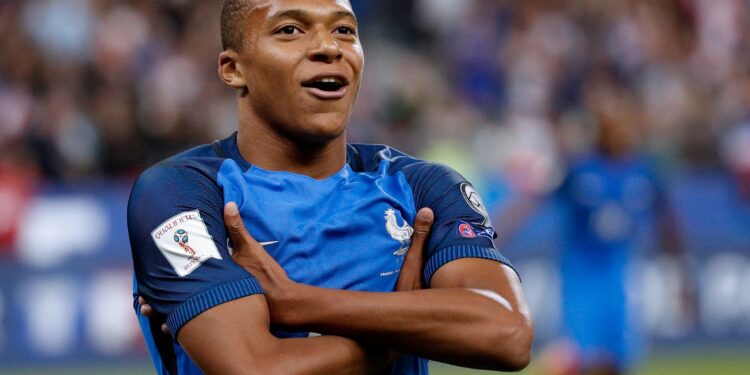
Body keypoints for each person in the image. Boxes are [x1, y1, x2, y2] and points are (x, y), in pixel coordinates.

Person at [128, 0, 533, 374]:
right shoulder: (179, 194)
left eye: (344, 31)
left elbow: (508, 333)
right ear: (234, 69)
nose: (328, 47)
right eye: (289, 30)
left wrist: (295, 302)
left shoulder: (424, 189)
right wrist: (398, 327)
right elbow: (254, 368)